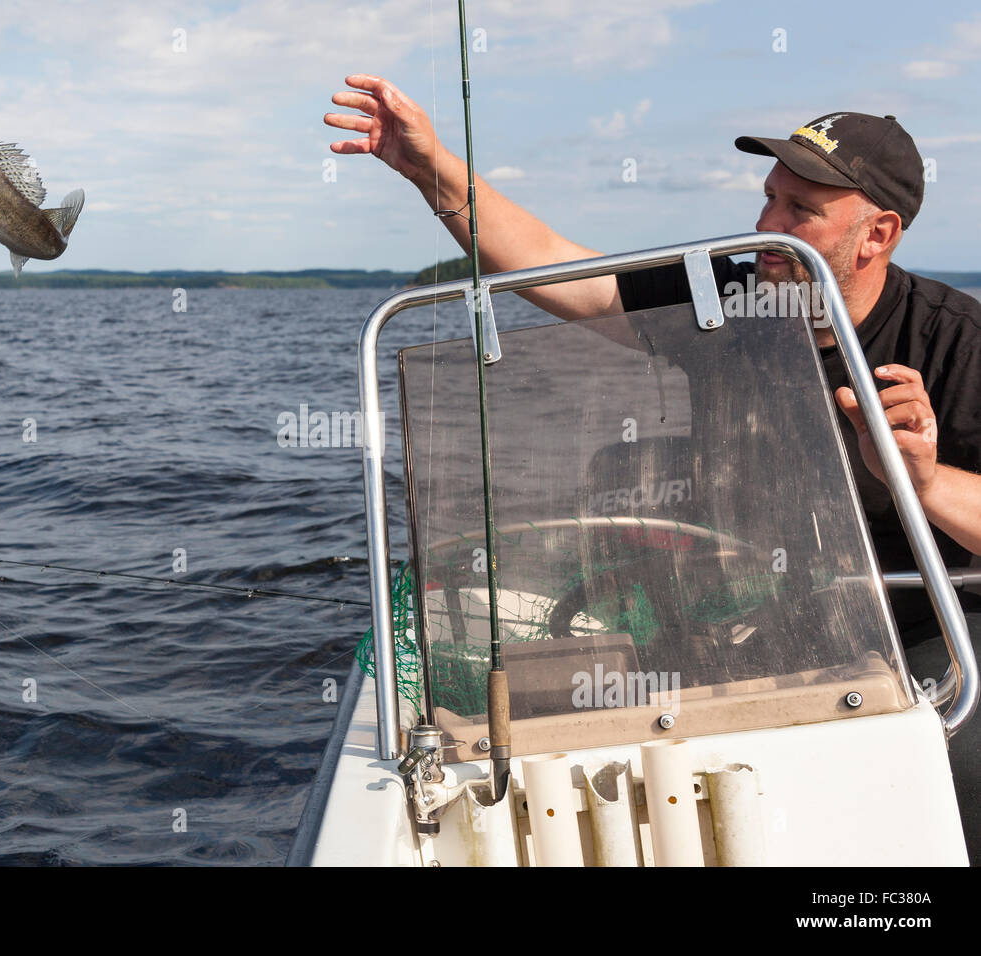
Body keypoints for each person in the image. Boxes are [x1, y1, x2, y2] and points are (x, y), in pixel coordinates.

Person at [326, 74, 981, 860]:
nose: (766, 224)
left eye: (799, 211)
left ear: (877, 234)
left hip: (918, 627)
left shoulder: (956, 340)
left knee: (947, 769)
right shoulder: (726, 293)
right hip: (754, 615)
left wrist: (925, 481)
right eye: (769, 197)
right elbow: (563, 272)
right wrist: (426, 165)